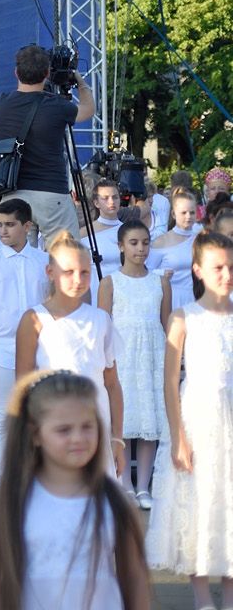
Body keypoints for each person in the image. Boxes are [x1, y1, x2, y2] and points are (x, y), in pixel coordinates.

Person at [0, 370, 148, 610]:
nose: (78, 438)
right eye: (64, 430)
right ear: (35, 434)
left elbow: (134, 576)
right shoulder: (10, 499)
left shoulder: (114, 500)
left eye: (87, 427)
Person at [146, 231, 233, 605]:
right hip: (198, 419)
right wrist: (178, 436)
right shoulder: (184, 318)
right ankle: (202, 596)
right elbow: (169, 381)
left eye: (231, 267)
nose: (226, 275)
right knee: (197, 501)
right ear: (198, 270)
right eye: (218, 268)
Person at [14, 231, 126, 478]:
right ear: (50, 272)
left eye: (84, 272)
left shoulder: (101, 320)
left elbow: (112, 384)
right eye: (68, 272)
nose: (78, 279)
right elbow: (23, 386)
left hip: (95, 426)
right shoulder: (34, 319)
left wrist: (117, 438)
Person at [0, 44, 97, 242]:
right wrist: (80, 82)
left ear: (16, 72)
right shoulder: (58, 107)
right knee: (65, 255)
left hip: (13, 195)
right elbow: (88, 109)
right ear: (47, 73)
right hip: (51, 194)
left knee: (17, 257)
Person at [98, 220, 168, 509]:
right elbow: (102, 326)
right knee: (124, 421)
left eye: (145, 243)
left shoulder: (160, 282)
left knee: (149, 422)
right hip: (123, 357)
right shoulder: (110, 282)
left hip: (152, 356)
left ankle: (143, 487)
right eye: (134, 243)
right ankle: (124, 482)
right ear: (121, 246)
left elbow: (165, 323)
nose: (141, 249)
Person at [0, 198, 49, 455]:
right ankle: (1, 474)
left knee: (38, 413)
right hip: (0, 349)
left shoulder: (44, 261)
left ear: (27, 226)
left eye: (10, 224)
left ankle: (35, 471)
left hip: (41, 348)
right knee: (2, 415)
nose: (3, 230)